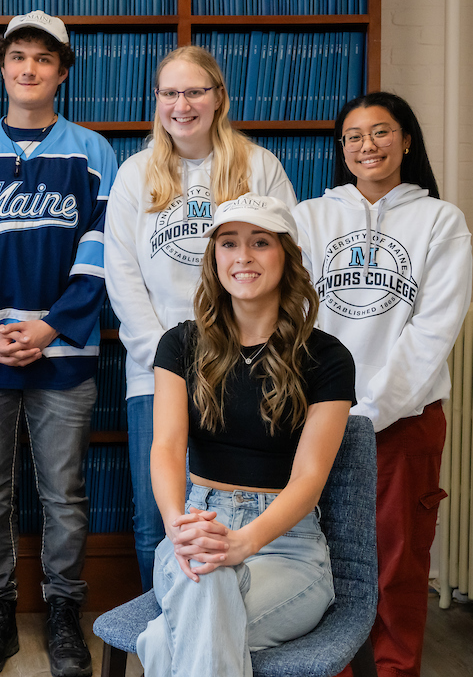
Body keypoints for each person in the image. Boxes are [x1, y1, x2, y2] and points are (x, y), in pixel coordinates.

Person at [0, 11, 118, 677]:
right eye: (18, 57)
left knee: (63, 493)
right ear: (3, 68)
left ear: (62, 72)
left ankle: (66, 610)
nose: (30, 68)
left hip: (63, 350)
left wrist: (50, 325)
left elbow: (101, 251)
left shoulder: (94, 152)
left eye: (44, 59)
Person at [104, 44, 297, 590]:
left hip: (248, 370)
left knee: (238, 514)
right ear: (158, 101)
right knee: (156, 520)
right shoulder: (136, 174)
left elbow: (286, 256)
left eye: (194, 91)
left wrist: (235, 360)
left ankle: (236, 633)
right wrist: (167, 361)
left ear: (219, 99)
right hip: (154, 370)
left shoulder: (260, 166)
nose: (181, 104)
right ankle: (164, 639)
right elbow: (120, 274)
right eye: (169, 93)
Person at [138, 193, 356, 676]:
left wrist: (242, 543)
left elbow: (310, 478)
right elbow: (168, 447)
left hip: (287, 546)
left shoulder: (328, 358)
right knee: (210, 584)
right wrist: (177, 524)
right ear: (215, 258)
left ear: (286, 257)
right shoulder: (180, 344)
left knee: (163, 639)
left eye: (260, 243)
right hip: (194, 526)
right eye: (229, 243)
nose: (243, 257)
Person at [293, 91, 472, 677]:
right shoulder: (309, 217)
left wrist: (372, 410)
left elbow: (433, 328)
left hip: (406, 417)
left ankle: (394, 670)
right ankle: (332, 667)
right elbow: (293, 315)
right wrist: (325, 405)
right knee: (320, 559)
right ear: (340, 148)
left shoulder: (440, 220)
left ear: (407, 140)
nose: (366, 145)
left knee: (396, 559)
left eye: (381, 132)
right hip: (316, 416)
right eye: (353, 136)